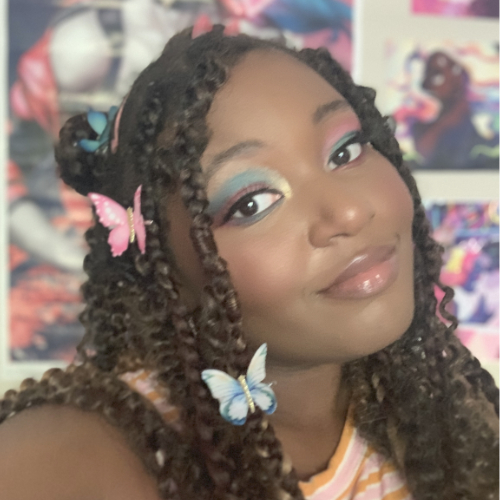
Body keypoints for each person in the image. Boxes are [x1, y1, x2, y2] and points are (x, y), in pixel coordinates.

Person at [0, 24, 498, 500]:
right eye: (253, 202)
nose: (348, 210)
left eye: (345, 151)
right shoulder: (73, 457)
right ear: (169, 272)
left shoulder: (437, 412)